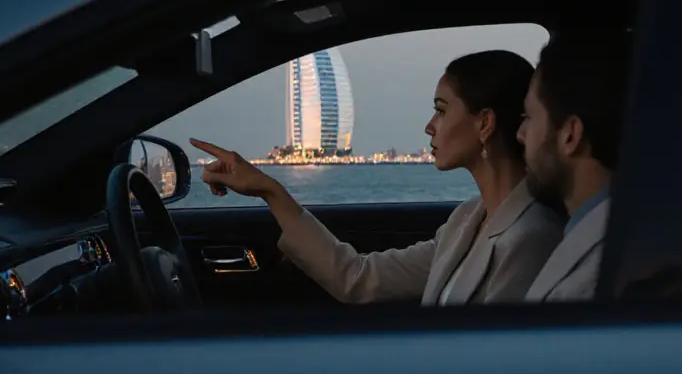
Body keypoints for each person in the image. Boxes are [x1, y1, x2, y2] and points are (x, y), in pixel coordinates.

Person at [190, 50, 564, 305]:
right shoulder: (467, 220)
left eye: (441, 110)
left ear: (484, 123)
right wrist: (270, 190)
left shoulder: (532, 238)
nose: (429, 127)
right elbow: (359, 279)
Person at [517, 30, 632, 302]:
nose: (520, 134)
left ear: (570, 135)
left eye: (529, 117)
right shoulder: (616, 236)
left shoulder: (594, 279)